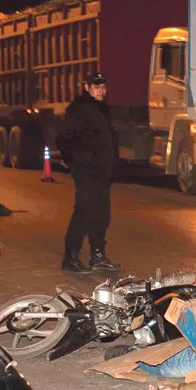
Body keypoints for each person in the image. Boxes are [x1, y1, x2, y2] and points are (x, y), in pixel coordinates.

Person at [57, 71, 121, 273]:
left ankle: (98, 255)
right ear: (87, 88)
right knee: (83, 211)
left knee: (101, 213)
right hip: (86, 170)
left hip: (102, 171)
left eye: (103, 87)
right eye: (96, 87)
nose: (101, 91)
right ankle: (70, 257)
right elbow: (63, 138)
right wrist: (76, 162)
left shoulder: (102, 109)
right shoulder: (78, 109)